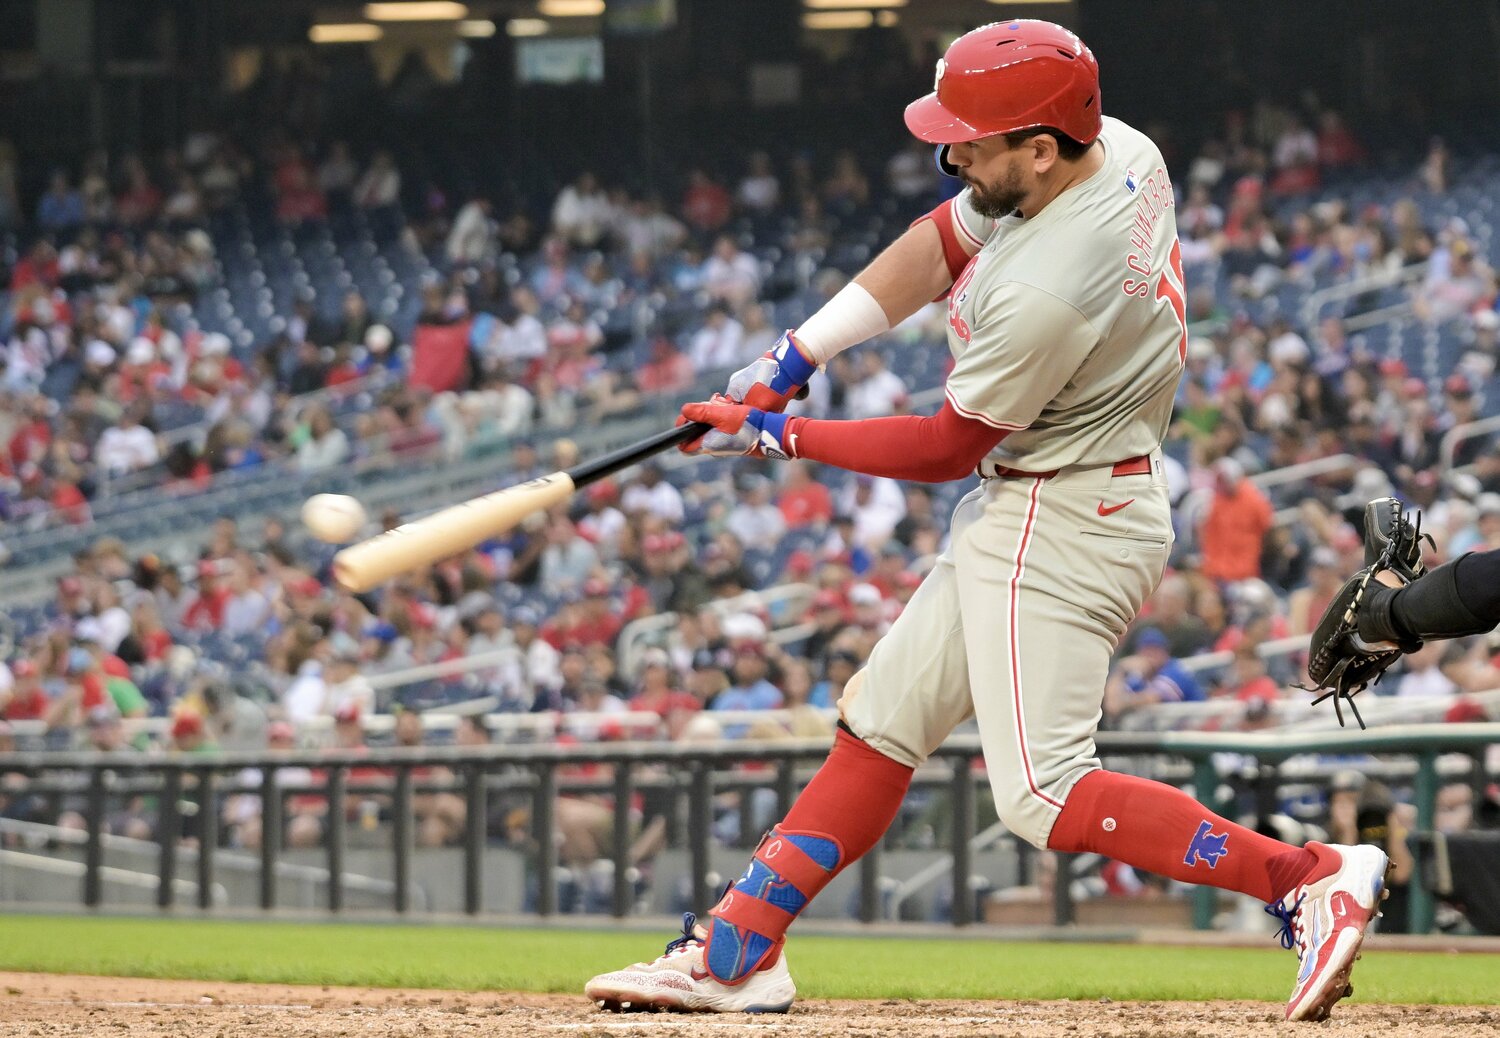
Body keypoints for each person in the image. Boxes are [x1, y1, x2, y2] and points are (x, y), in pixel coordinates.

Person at [586, 21, 1387, 1023]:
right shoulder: (1116, 146)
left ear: (1039, 148)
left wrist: (775, 438)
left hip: (1065, 510)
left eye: (973, 136)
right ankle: (738, 949)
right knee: (882, 721)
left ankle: (1308, 876)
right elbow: (940, 239)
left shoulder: (1052, 280)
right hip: (1054, 492)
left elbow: (943, 447)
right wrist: (797, 354)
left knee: (1044, 796)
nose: (951, 150)